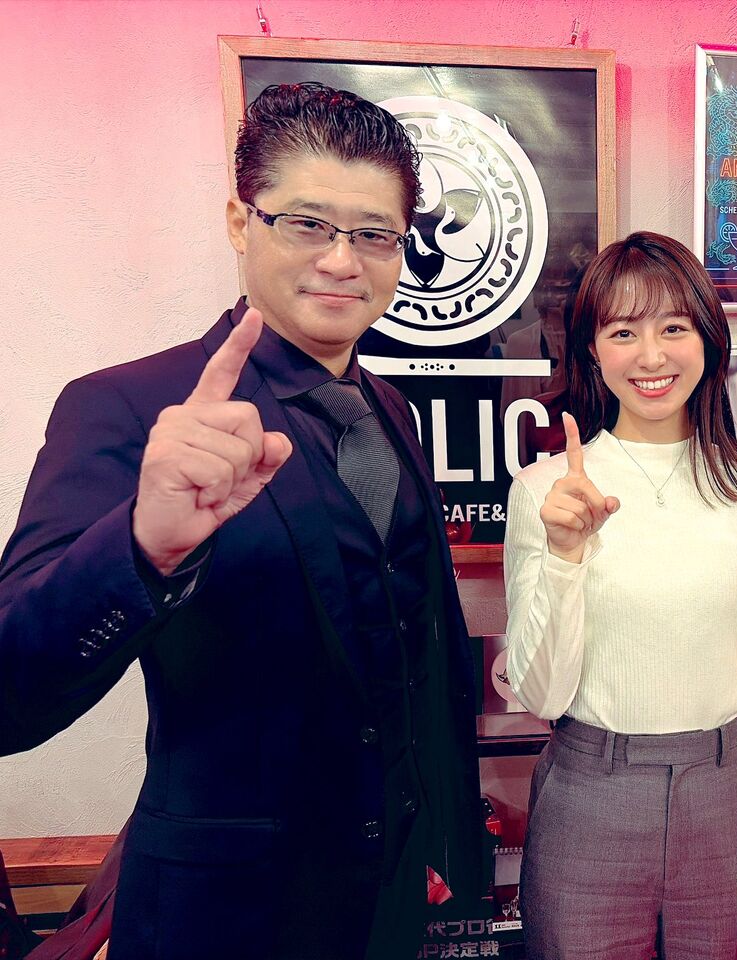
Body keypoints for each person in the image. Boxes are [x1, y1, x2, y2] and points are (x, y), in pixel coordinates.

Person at [0, 82, 486, 960]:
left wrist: (436, 842)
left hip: (389, 909)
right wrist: (142, 549)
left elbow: (415, 659)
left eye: (374, 234)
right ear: (240, 222)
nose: (341, 260)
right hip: (223, 918)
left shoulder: (393, 412)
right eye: (307, 223)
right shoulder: (128, 406)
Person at [503, 232, 737, 959]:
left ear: (708, 340)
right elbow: (540, 695)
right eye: (623, 332)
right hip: (589, 798)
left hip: (722, 797)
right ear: (592, 350)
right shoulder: (544, 490)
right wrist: (566, 557)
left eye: (673, 328)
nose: (651, 356)